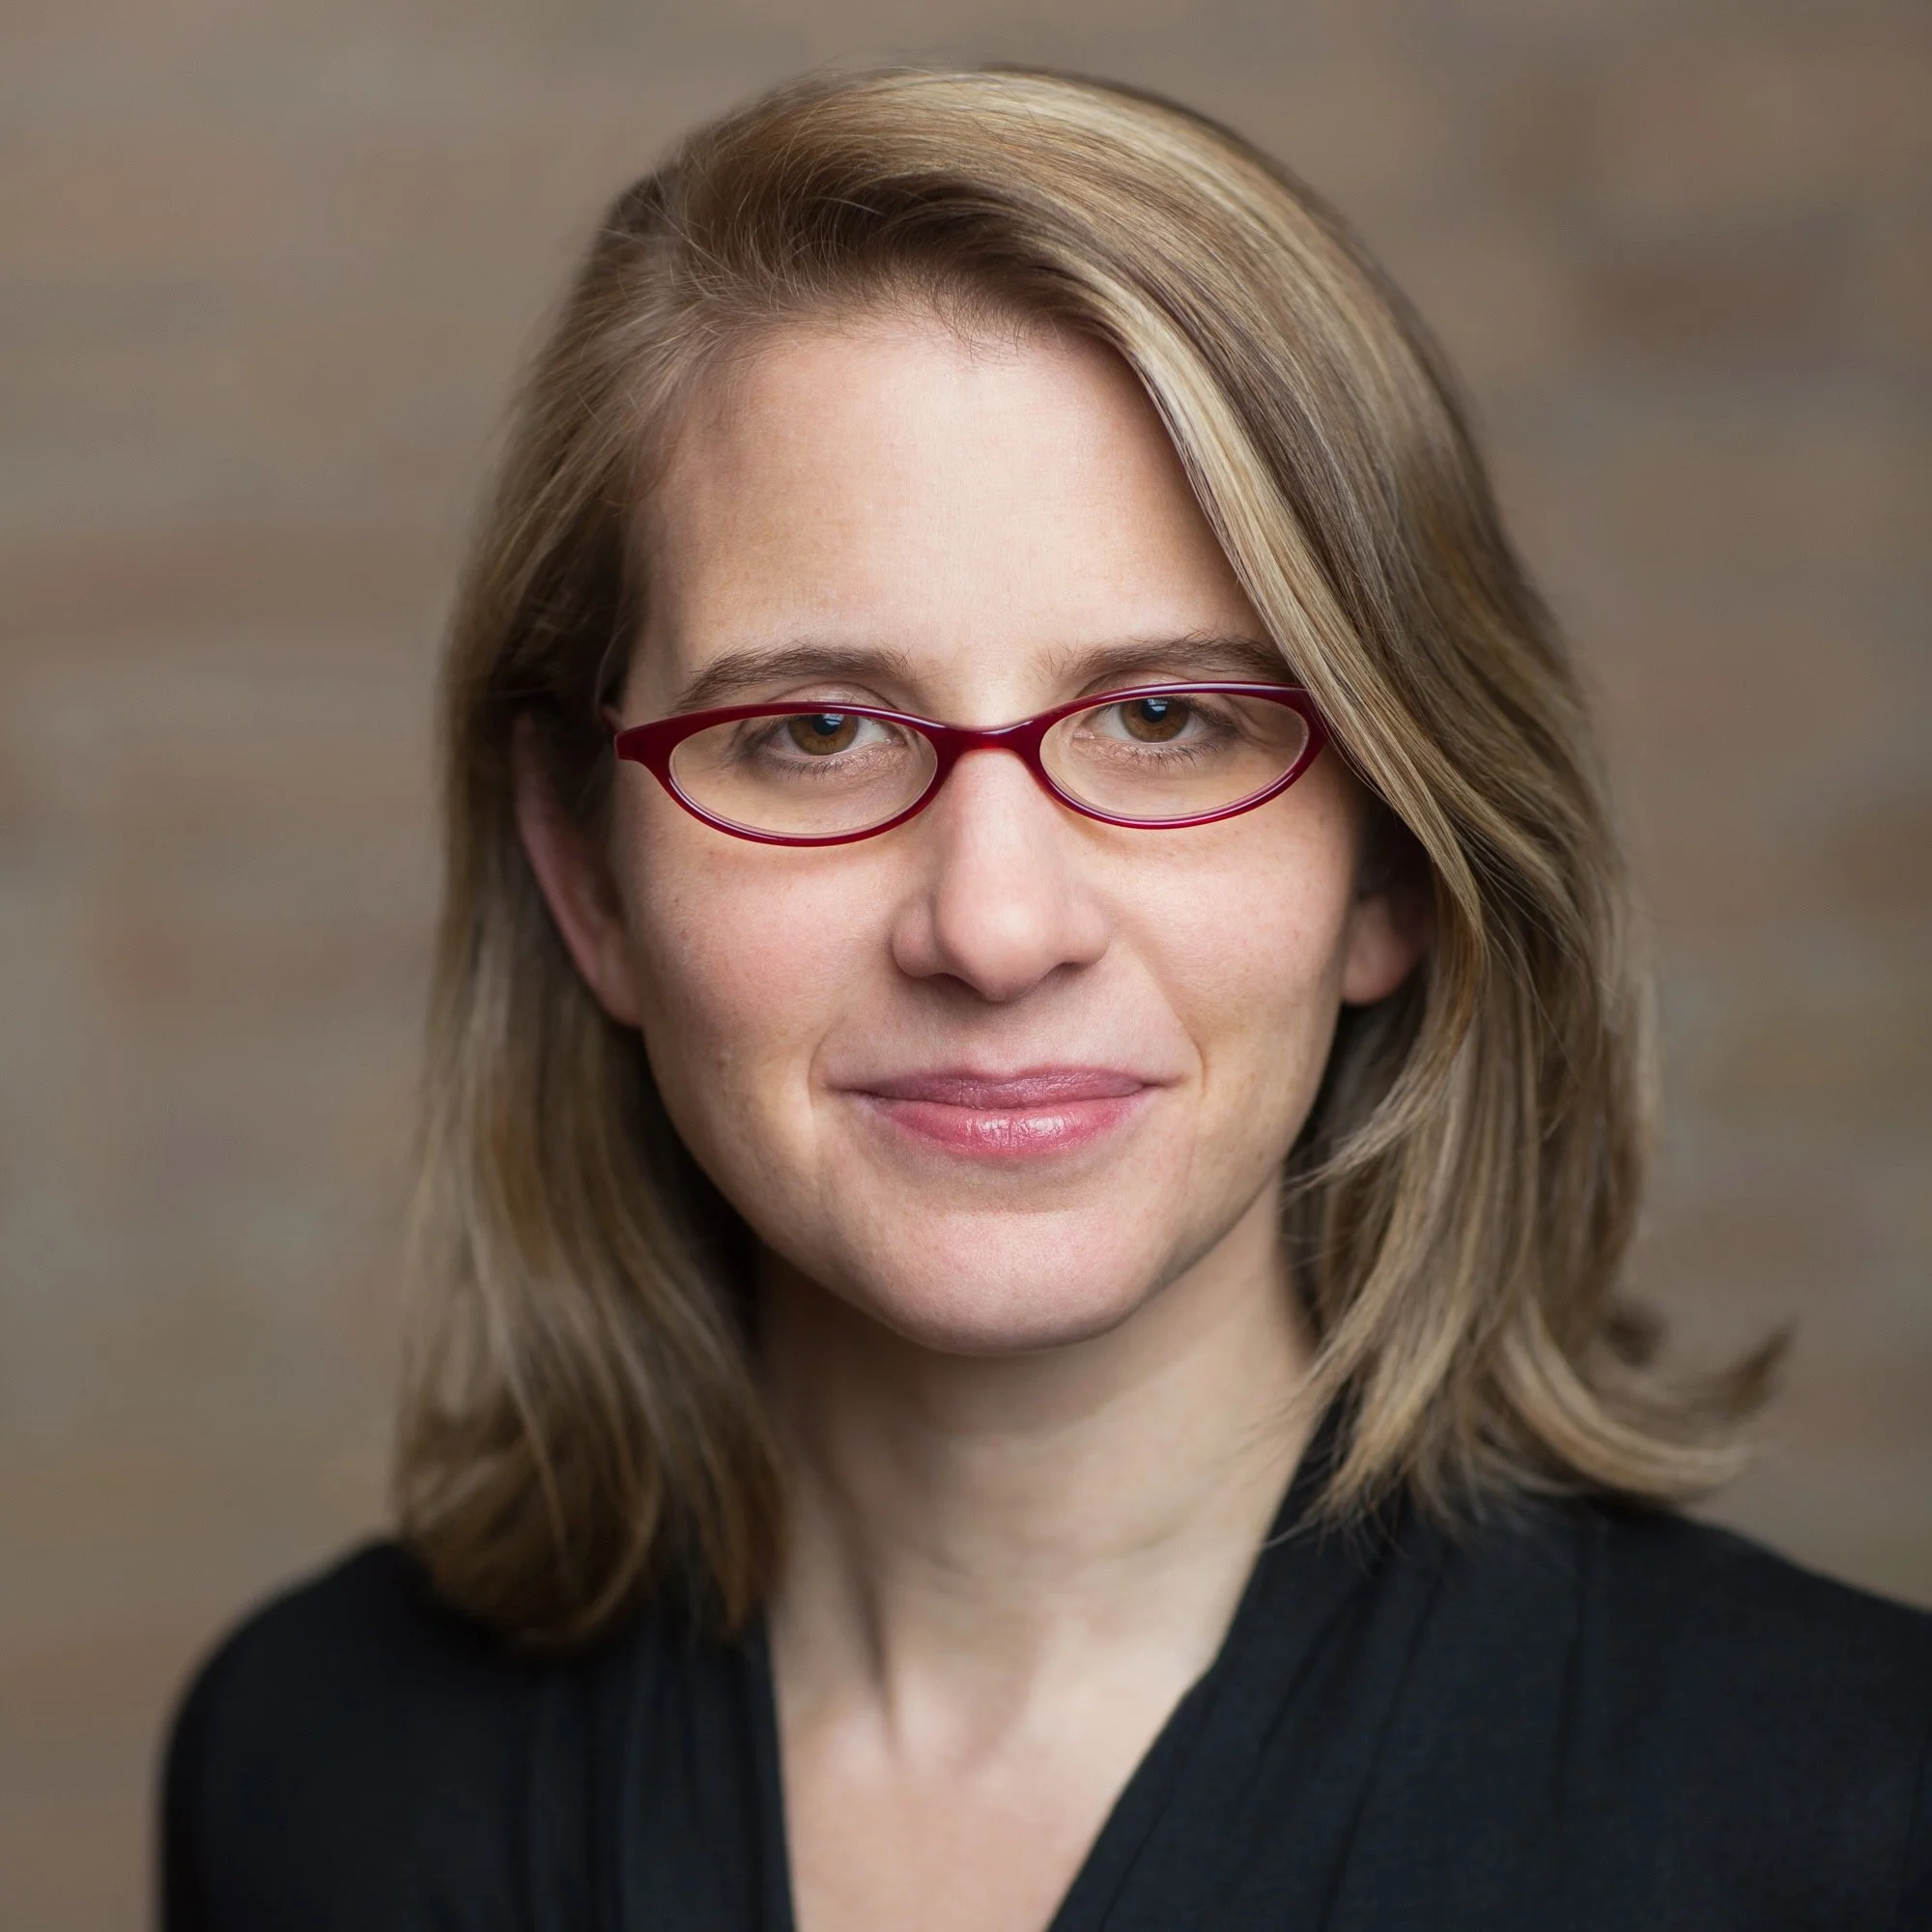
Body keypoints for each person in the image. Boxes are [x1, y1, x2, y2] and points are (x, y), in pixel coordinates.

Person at [160, 66, 1932, 1931]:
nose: (996, 928)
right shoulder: (316, 1771)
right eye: (814, 731)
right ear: (589, 873)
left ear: (1391, 865)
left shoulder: (1851, 1825)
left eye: (1169, 721)